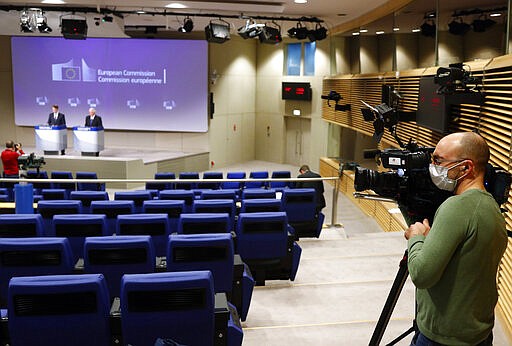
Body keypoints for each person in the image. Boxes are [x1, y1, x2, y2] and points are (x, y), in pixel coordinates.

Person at [405, 132, 507, 346]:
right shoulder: (490, 207)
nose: (433, 166)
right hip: (477, 334)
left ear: (466, 167)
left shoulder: (456, 207)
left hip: (442, 339)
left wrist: (416, 238)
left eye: (439, 160)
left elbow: (421, 275)